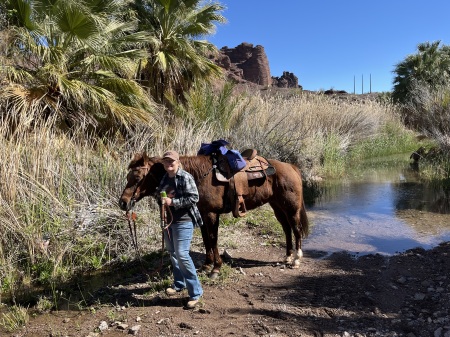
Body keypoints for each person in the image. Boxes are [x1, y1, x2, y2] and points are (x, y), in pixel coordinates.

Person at [158, 150, 203, 309]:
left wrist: (172, 202)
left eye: (172, 161)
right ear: (163, 164)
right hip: (169, 222)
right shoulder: (164, 178)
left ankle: (195, 292)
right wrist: (161, 199)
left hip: (184, 221)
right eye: (166, 162)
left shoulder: (185, 177)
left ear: (177, 162)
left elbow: (194, 198)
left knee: (182, 254)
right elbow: (161, 196)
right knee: (173, 253)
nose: (169, 164)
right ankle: (179, 283)